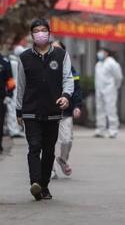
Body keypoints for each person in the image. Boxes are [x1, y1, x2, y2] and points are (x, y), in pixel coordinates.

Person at [16, 18, 74, 201]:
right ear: (32, 34)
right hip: (31, 110)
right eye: (36, 30)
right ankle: (35, 183)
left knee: (49, 150)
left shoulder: (61, 55)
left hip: (52, 110)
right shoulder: (24, 58)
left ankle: (45, 185)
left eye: (43, 30)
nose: (40, 33)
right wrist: (19, 111)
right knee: (34, 147)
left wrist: (66, 96)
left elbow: (68, 78)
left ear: (49, 32)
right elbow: (21, 86)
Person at [51, 41, 83, 178]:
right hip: (49, 111)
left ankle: (62, 160)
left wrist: (77, 106)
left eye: (58, 49)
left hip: (66, 111)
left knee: (67, 140)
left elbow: (76, 90)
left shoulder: (70, 68)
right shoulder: (44, 66)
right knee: (48, 143)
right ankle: (50, 170)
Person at [94, 48, 123, 138]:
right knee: (100, 109)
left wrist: (115, 86)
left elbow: (118, 77)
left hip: (110, 89)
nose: (99, 54)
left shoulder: (112, 63)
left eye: (102, 52)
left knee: (111, 109)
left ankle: (113, 130)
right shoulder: (98, 64)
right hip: (99, 89)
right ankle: (100, 129)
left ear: (107, 53)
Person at [4, 45, 26, 138]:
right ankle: (12, 129)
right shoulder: (14, 63)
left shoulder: (17, 62)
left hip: (17, 88)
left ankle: (13, 128)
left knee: (14, 110)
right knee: (12, 110)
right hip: (13, 88)